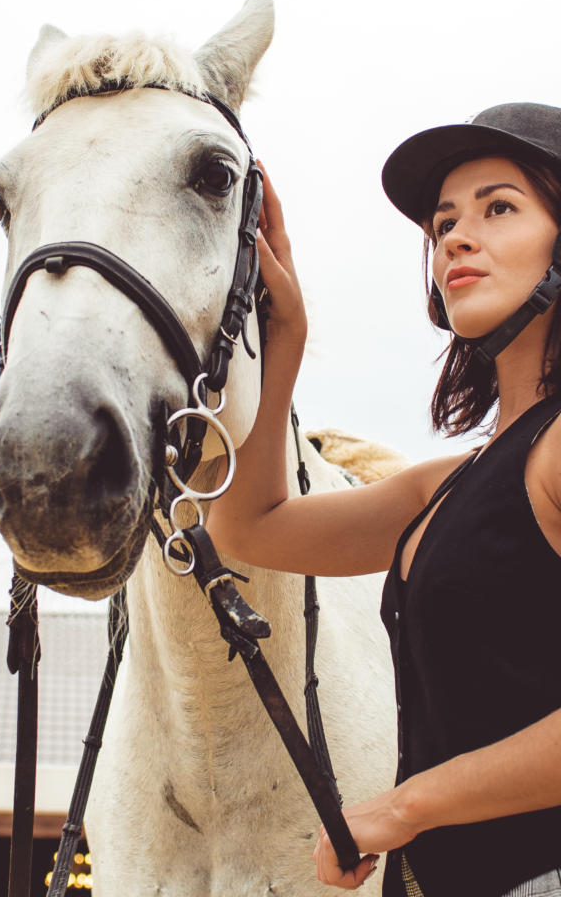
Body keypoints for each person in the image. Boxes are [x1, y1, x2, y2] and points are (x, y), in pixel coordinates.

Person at [207, 103, 561, 897]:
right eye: (443, 225)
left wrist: (406, 807)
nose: (456, 239)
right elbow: (249, 526)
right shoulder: (449, 484)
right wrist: (285, 338)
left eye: (499, 208)